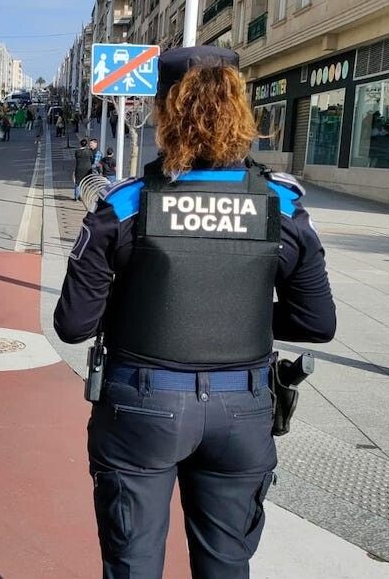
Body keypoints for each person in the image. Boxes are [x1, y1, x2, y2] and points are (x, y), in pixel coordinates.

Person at [54, 46, 336, 579]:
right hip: (243, 407)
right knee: (227, 565)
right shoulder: (282, 206)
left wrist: (141, 305)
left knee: (133, 564)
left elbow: (73, 325)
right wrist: (244, 311)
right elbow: (317, 323)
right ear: (242, 111)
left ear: (164, 112)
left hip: (142, 405)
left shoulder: (124, 207)